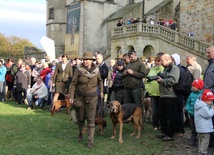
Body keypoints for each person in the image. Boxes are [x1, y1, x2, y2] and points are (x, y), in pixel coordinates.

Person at [69, 51, 103, 149]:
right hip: (80, 98)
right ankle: (80, 133)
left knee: (91, 118)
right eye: (84, 60)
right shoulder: (78, 70)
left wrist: (101, 91)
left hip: (92, 97)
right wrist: (71, 97)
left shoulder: (96, 70)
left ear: (91, 61)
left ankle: (90, 140)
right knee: (80, 118)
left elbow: (100, 81)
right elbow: (73, 84)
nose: (85, 61)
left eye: (87, 60)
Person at [156, 54, 180, 142]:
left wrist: (162, 81)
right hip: (163, 94)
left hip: (171, 95)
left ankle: (170, 134)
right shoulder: (166, 68)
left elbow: (174, 80)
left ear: (167, 60)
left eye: (162, 61)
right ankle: (164, 131)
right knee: (161, 113)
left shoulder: (174, 68)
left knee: (170, 115)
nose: (161, 62)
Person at [145, 56, 164, 130]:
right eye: (156, 61)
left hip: (160, 92)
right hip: (152, 92)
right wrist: (147, 90)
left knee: (161, 110)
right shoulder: (151, 69)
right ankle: (155, 124)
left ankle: (161, 124)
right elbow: (147, 80)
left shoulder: (163, 69)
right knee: (154, 110)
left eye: (159, 61)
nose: (157, 62)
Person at [194, 89, 214, 155]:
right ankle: (203, 152)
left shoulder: (199, 105)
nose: (211, 102)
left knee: (201, 140)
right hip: (205, 129)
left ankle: (200, 150)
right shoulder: (203, 107)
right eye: (210, 100)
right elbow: (209, 115)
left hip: (200, 128)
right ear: (206, 100)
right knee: (205, 141)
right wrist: (212, 109)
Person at [186, 79, 204, 146]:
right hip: (192, 114)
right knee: (193, 128)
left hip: (199, 116)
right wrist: (187, 109)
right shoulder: (191, 94)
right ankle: (193, 139)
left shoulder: (202, 94)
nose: (192, 87)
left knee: (199, 128)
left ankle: (200, 140)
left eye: (194, 86)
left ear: (198, 87)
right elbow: (188, 102)